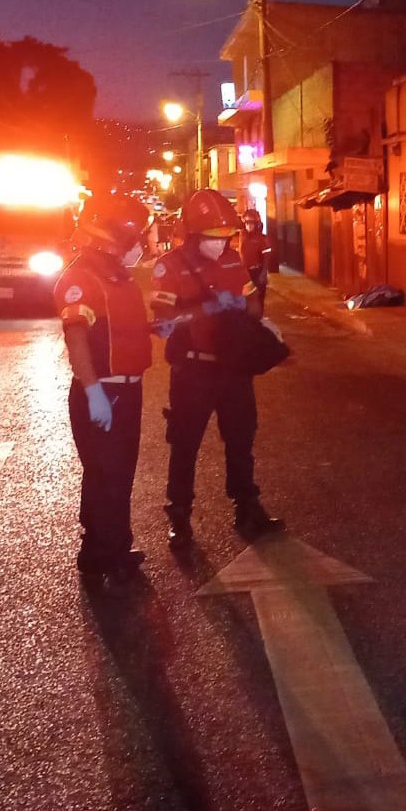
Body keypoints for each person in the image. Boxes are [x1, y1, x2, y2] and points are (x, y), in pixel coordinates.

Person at [152, 189, 284, 547]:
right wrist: (205, 309)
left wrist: (252, 309)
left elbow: (252, 306)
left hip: (233, 369)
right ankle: (179, 517)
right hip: (192, 372)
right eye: (214, 238)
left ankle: (247, 507)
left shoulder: (231, 259)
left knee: (241, 439)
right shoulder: (170, 266)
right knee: (185, 443)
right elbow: (162, 323)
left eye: (227, 237)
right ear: (194, 235)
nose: (221, 244)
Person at [53, 193, 156, 595]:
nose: (139, 245)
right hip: (105, 393)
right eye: (134, 237)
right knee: (108, 475)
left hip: (125, 391)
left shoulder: (114, 274)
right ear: (115, 236)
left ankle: (101, 552)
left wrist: (152, 331)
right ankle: (109, 554)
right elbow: (77, 336)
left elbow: (116, 330)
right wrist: (93, 391)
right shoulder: (82, 278)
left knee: (113, 475)